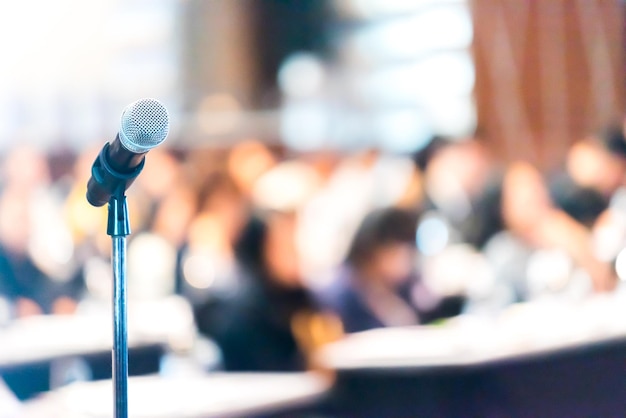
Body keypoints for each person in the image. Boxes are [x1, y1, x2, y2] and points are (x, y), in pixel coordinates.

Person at [195, 211, 340, 371]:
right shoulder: (242, 317)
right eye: (285, 247)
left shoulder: (304, 300)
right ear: (259, 251)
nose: (296, 254)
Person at [320, 207, 454, 333]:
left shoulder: (404, 288)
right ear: (371, 250)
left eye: (408, 252)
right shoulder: (340, 293)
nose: (403, 261)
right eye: (395, 252)